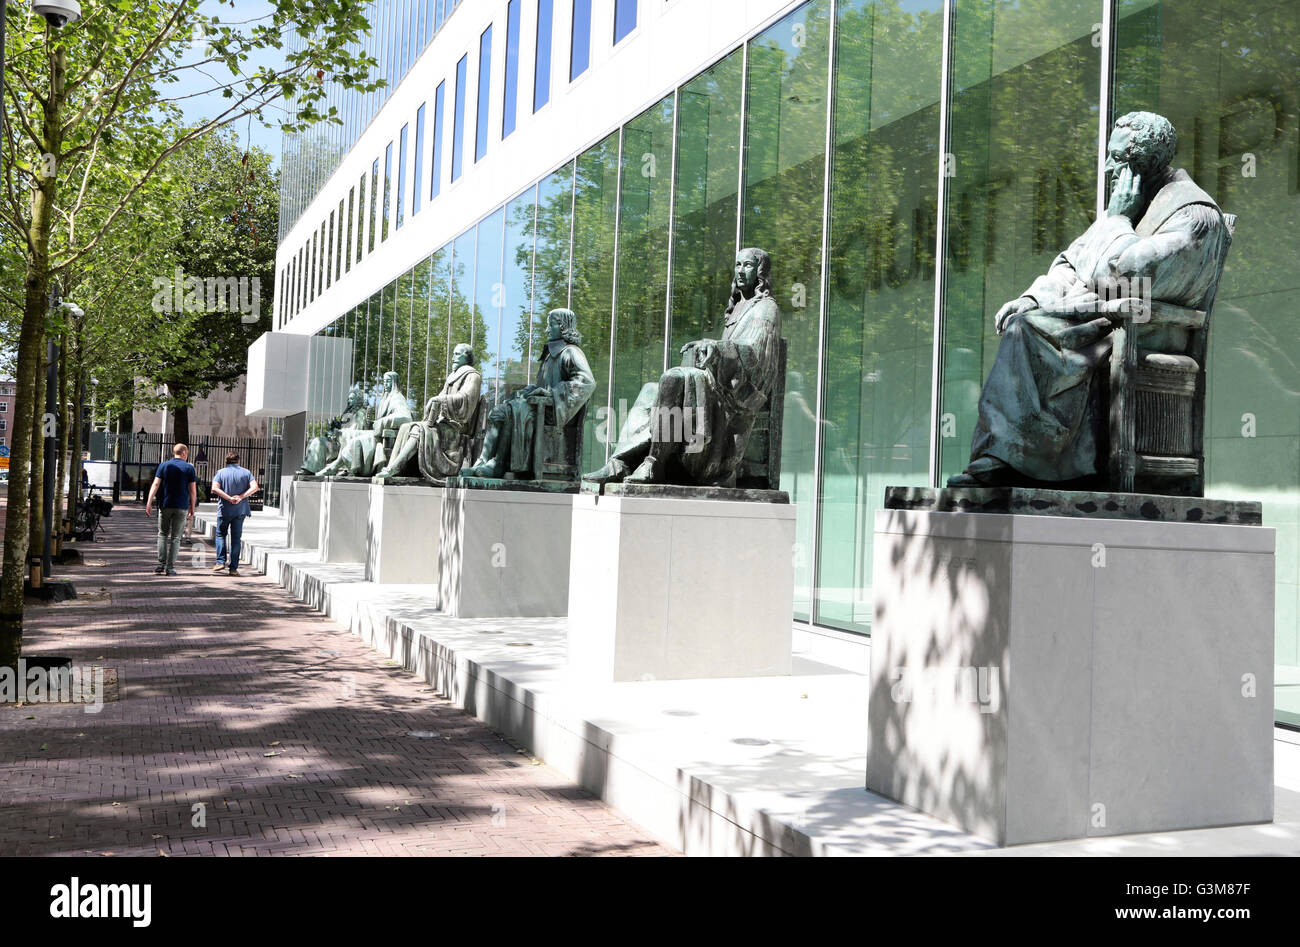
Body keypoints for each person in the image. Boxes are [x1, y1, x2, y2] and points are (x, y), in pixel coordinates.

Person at [948, 112, 1229, 487]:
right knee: (1023, 321)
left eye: (1119, 159)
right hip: (1099, 322)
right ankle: (1016, 455)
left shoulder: (1194, 215)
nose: (1110, 168)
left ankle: (1018, 458)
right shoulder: (1129, 205)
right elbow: (1071, 262)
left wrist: (1116, 221)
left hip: (1143, 333)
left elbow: (1132, 275)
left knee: (1026, 334)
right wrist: (1034, 297)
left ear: (1145, 164)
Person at [586, 248, 782, 487]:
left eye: (748, 265)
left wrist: (718, 348)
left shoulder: (766, 308)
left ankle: (655, 461)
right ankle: (621, 462)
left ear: (760, 271)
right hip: (718, 386)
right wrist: (709, 349)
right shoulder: (738, 307)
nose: (740, 271)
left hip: (735, 401)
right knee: (651, 389)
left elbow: (756, 355)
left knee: (673, 378)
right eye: (738, 264)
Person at [462, 309, 596, 479]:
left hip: (553, 413)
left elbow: (586, 382)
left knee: (515, 410)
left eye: (551, 325)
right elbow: (542, 386)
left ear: (563, 328)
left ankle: (499, 464)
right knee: (498, 412)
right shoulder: (549, 356)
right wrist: (530, 390)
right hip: (538, 407)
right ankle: (483, 461)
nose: (547, 329)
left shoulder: (571, 352)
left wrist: (552, 394)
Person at [376, 343, 482, 482]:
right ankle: (398, 467)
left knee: (418, 429)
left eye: (457, 354)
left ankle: (394, 468)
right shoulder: (452, 376)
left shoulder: (473, 376)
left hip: (456, 426)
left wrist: (440, 400)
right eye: (453, 354)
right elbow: (440, 396)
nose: (453, 357)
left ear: (467, 357)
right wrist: (434, 402)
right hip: (442, 423)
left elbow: (466, 398)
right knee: (405, 427)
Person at [145, 443, 197, 576]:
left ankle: (160, 564)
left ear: (174, 452)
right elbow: (192, 490)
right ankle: (170, 568)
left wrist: (149, 502)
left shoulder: (164, 465)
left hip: (165, 504)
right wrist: (192, 507)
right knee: (176, 538)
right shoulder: (189, 468)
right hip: (181, 506)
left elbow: (156, 484)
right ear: (184, 452)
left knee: (162, 534)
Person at [211, 451, 258, 577]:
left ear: (226, 460)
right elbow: (255, 487)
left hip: (225, 510)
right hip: (240, 510)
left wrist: (229, 498)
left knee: (221, 534)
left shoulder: (220, 472)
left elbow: (214, 488)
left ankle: (220, 561)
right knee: (236, 539)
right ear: (238, 460)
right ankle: (233, 568)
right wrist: (241, 497)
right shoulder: (246, 472)